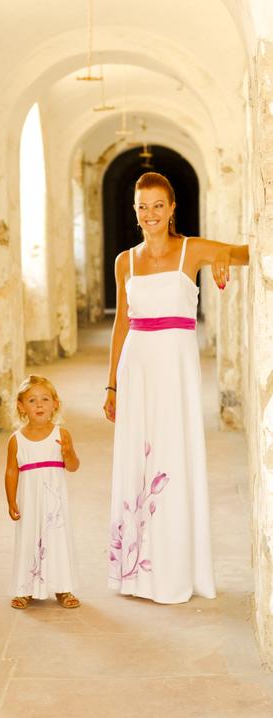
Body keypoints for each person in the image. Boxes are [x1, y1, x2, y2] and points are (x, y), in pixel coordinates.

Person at [103, 171, 249, 604]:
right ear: (135, 211)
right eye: (142, 206)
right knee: (138, 460)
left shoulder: (192, 249)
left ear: (171, 209)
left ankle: (175, 568)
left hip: (176, 368)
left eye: (157, 205)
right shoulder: (125, 261)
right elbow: (121, 323)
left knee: (173, 456)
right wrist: (112, 385)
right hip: (137, 366)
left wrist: (223, 258)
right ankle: (136, 571)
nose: (150, 213)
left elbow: (249, 252)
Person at [5, 374, 81, 609]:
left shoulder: (62, 435)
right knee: (28, 539)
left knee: (58, 540)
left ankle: (63, 587)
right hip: (29, 501)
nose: (39, 405)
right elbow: (11, 471)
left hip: (55, 504)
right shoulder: (16, 440)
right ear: (21, 406)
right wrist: (11, 501)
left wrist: (68, 452)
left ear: (55, 404)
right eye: (32, 400)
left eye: (45, 399)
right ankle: (24, 588)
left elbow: (73, 466)